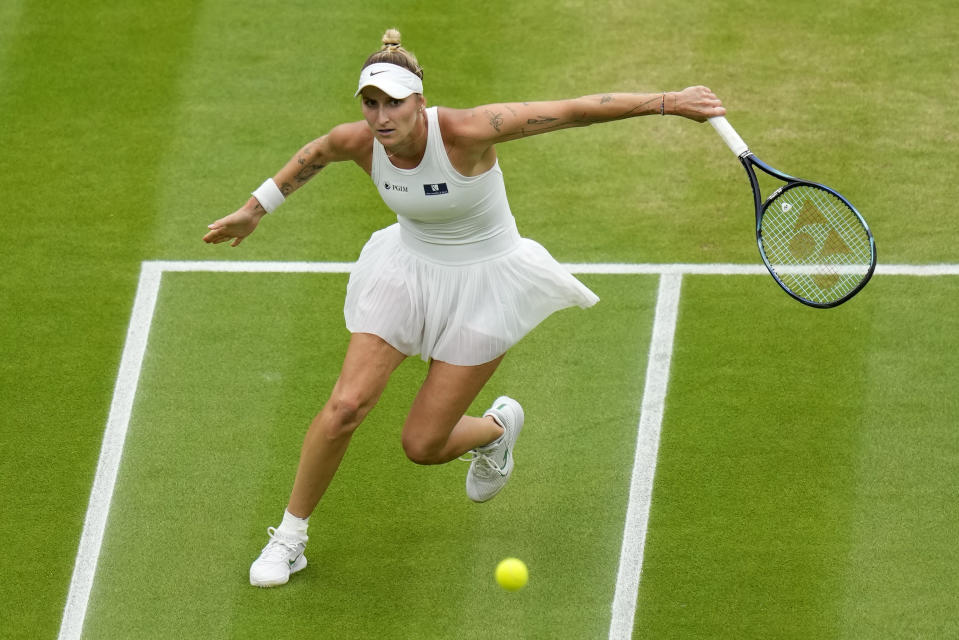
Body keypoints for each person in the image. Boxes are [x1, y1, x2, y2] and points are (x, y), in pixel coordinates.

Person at [203, 28, 725, 588]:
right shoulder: (356, 142)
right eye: (371, 103)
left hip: (485, 285)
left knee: (422, 445)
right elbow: (314, 154)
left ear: (419, 102)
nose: (381, 118)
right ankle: (290, 538)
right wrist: (255, 209)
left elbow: (572, 111)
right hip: (405, 274)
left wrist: (671, 102)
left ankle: (496, 429)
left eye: (394, 104)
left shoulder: (468, 131)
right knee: (346, 406)